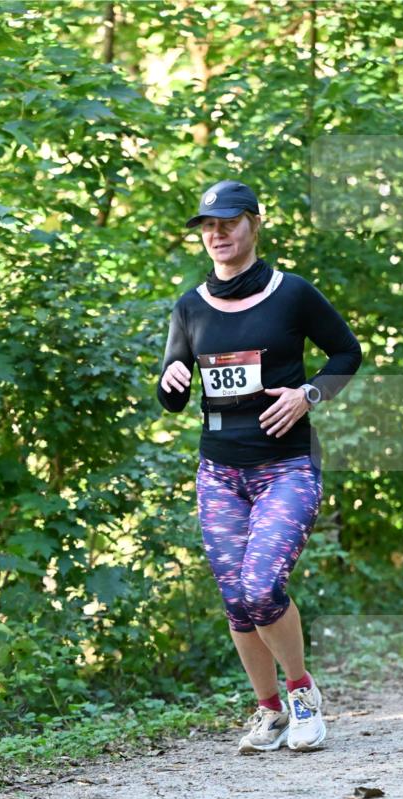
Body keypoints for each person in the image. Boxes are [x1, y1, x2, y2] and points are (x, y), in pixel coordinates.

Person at [157, 179, 363, 754]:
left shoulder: (291, 293)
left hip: (287, 464)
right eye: (207, 226)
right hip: (219, 472)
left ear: (255, 222)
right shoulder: (191, 306)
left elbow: (347, 352)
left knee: (262, 585)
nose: (217, 234)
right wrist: (169, 381)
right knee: (235, 600)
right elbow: (175, 391)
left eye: (228, 222)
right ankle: (268, 713)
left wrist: (309, 395)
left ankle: (301, 694)